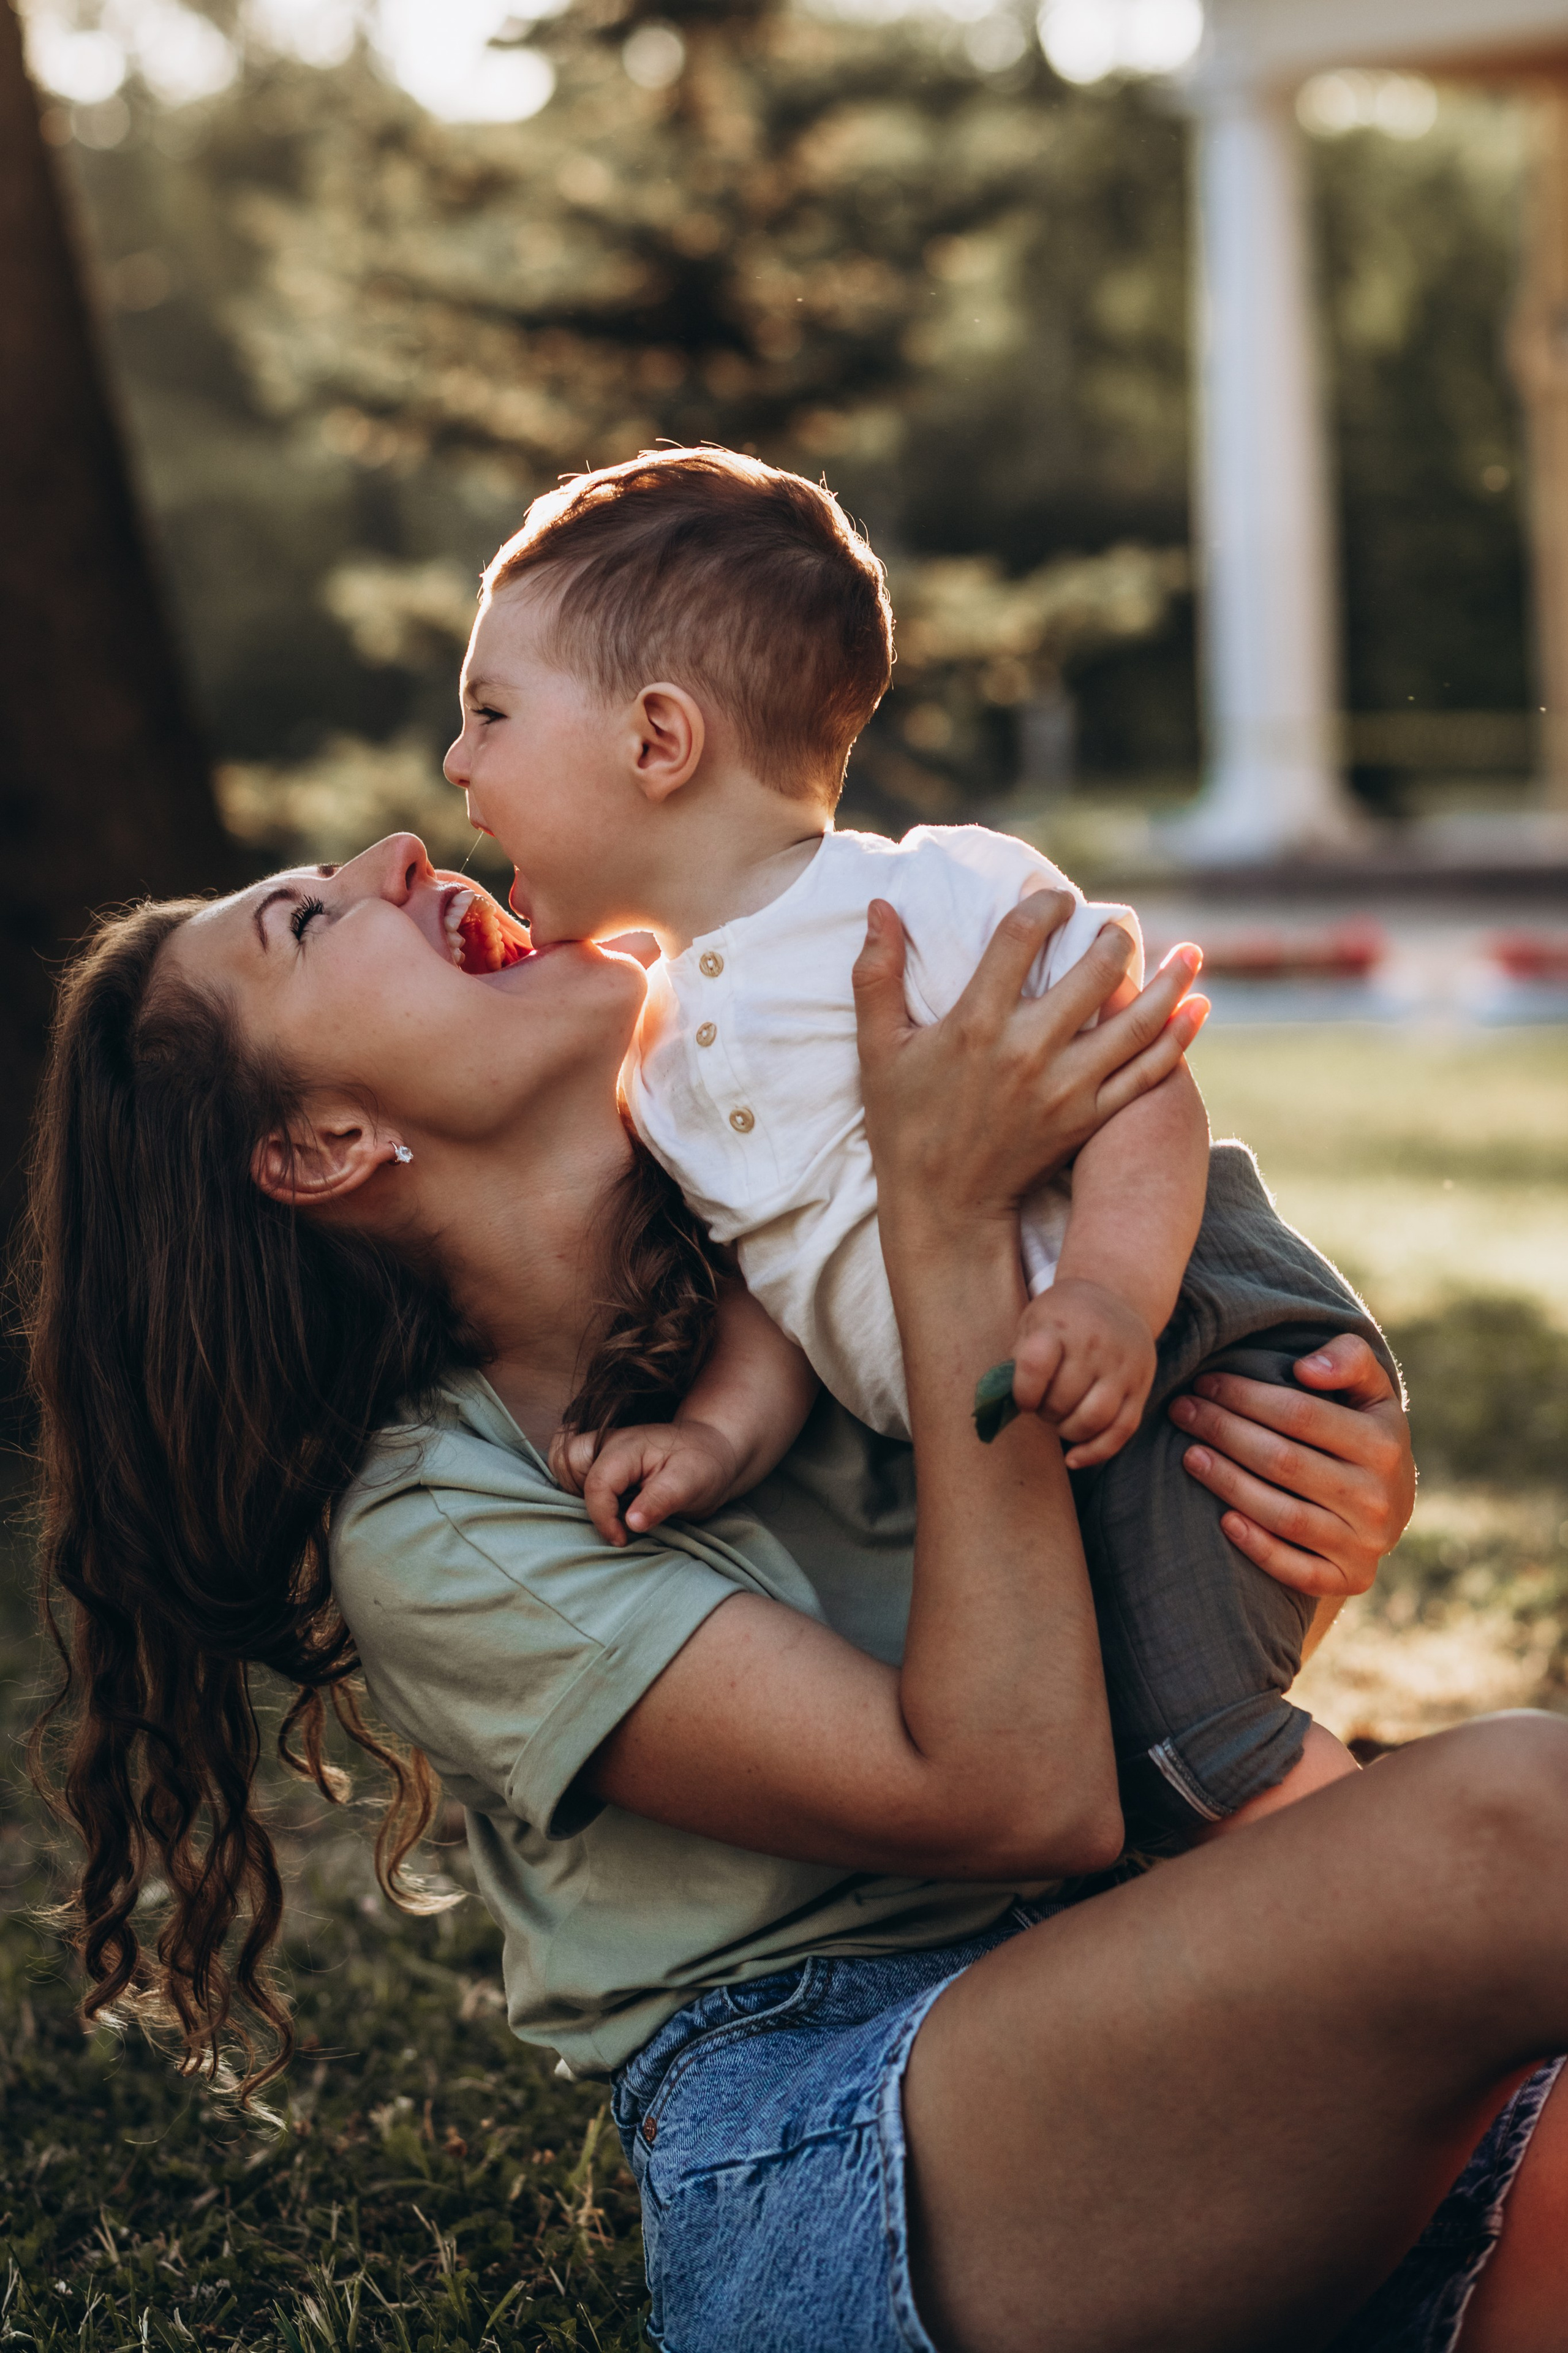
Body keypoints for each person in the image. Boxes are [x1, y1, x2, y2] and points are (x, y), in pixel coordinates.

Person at [23, 833, 1568, 2353]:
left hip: (1144, 2018)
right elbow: (1014, 1793)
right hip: (843, 2149)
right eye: (304, 918)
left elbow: (1143, 1648)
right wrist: (940, 1220)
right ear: (322, 1147)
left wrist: (1305, 1483)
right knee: (1516, 1815)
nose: (397, 847)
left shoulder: (803, 1248)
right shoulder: (440, 1523)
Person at [442, 446, 1394, 1845]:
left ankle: (1460, 1954)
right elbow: (770, 1275)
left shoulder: (922, 904)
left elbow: (1142, 1090)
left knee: (1191, 1736)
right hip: (1034, 1417)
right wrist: (714, 1435)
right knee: (1125, 1755)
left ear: (658, 740)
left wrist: (1107, 1300)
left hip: (1176, 1321)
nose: (457, 764)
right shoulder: (649, 1056)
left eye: (489, 713)